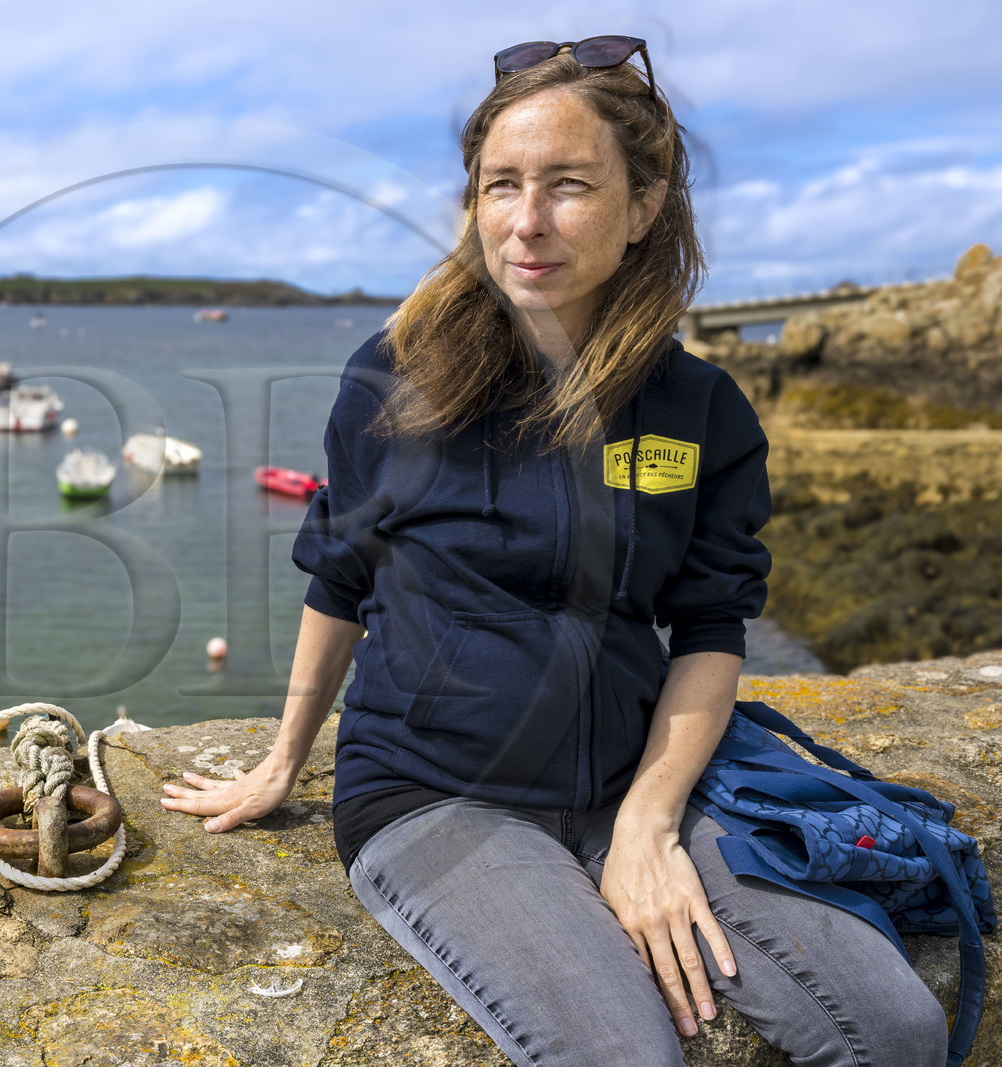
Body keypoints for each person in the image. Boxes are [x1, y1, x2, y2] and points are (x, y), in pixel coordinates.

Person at [160, 37, 949, 1067]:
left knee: (895, 1028)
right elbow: (340, 575)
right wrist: (281, 760)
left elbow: (710, 625)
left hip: (635, 777)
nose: (525, 222)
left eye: (568, 186)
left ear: (643, 203)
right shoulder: (392, 376)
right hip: (436, 790)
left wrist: (648, 824)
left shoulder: (699, 408)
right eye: (502, 186)